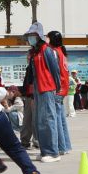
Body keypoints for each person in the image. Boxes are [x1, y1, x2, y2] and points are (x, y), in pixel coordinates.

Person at [25, 23, 63, 163]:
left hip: (47, 88)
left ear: (39, 36)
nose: (31, 38)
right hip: (38, 88)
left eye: (33, 35)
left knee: (48, 120)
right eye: (29, 36)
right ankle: (44, 150)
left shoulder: (47, 50)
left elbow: (55, 70)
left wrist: (57, 87)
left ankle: (53, 152)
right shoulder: (35, 51)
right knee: (39, 121)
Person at [47, 30, 72, 154]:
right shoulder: (61, 51)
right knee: (61, 118)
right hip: (63, 88)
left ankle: (61, 147)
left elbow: (55, 72)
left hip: (58, 88)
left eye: (47, 37)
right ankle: (66, 146)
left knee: (55, 119)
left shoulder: (54, 52)